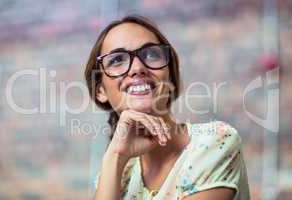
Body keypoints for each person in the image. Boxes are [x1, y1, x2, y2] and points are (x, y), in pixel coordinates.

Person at [85, 14, 250, 200]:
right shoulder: (115, 173)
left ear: (169, 75)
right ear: (101, 90)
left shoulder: (216, 141)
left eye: (151, 54)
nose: (137, 67)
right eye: (117, 60)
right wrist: (114, 156)